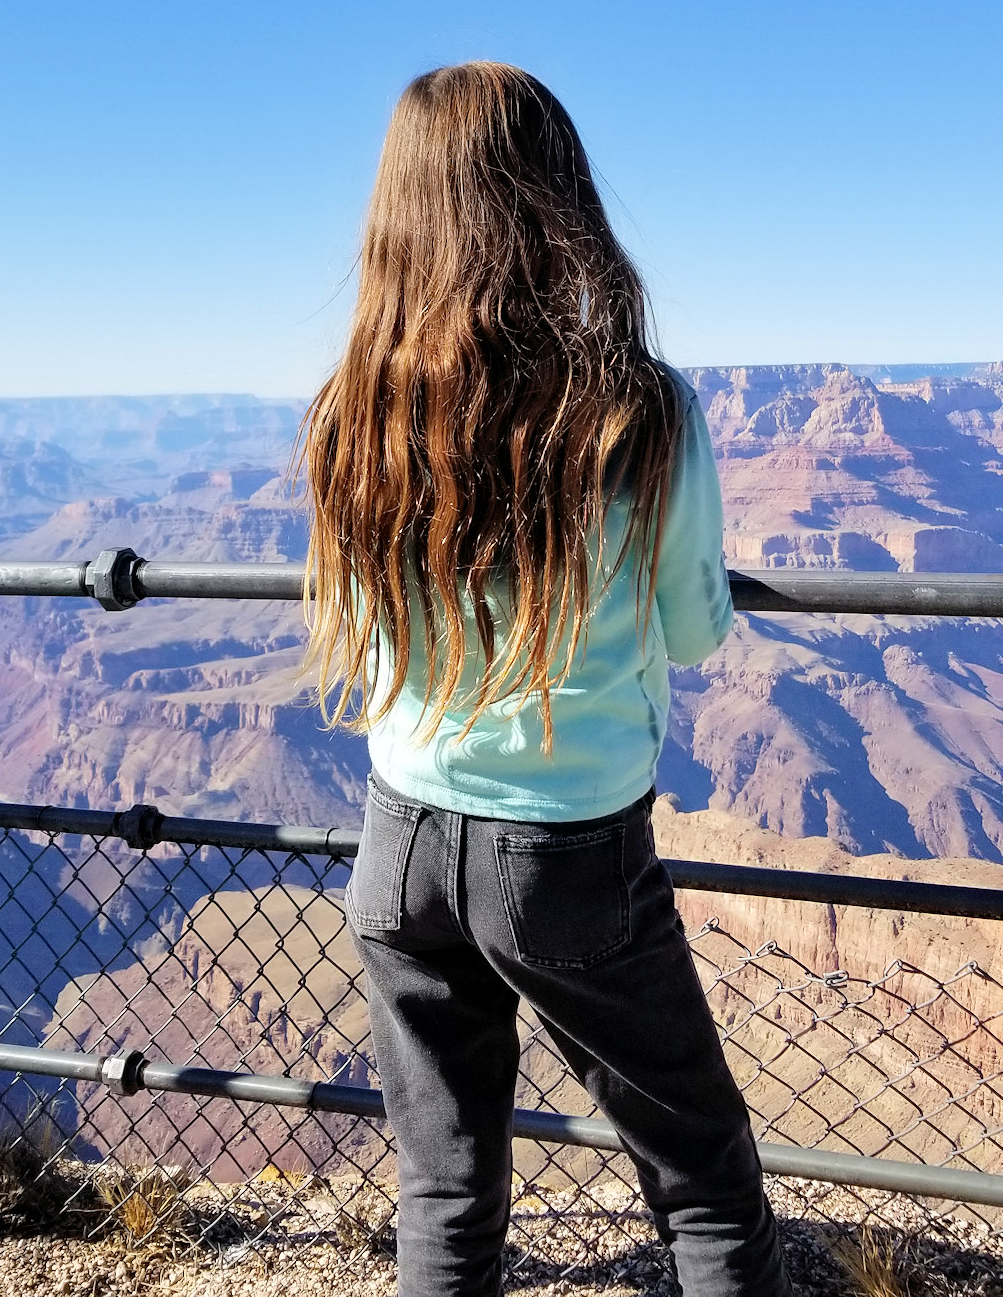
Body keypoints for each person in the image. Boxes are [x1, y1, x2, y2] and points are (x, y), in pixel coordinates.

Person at [298, 62, 791, 1297]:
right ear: (555, 196)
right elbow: (693, 633)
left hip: (397, 846)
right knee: (704, 1179)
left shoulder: (360, 411)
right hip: (565, 858)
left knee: (446, 1189)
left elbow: (363, 622)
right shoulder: (640, 411)